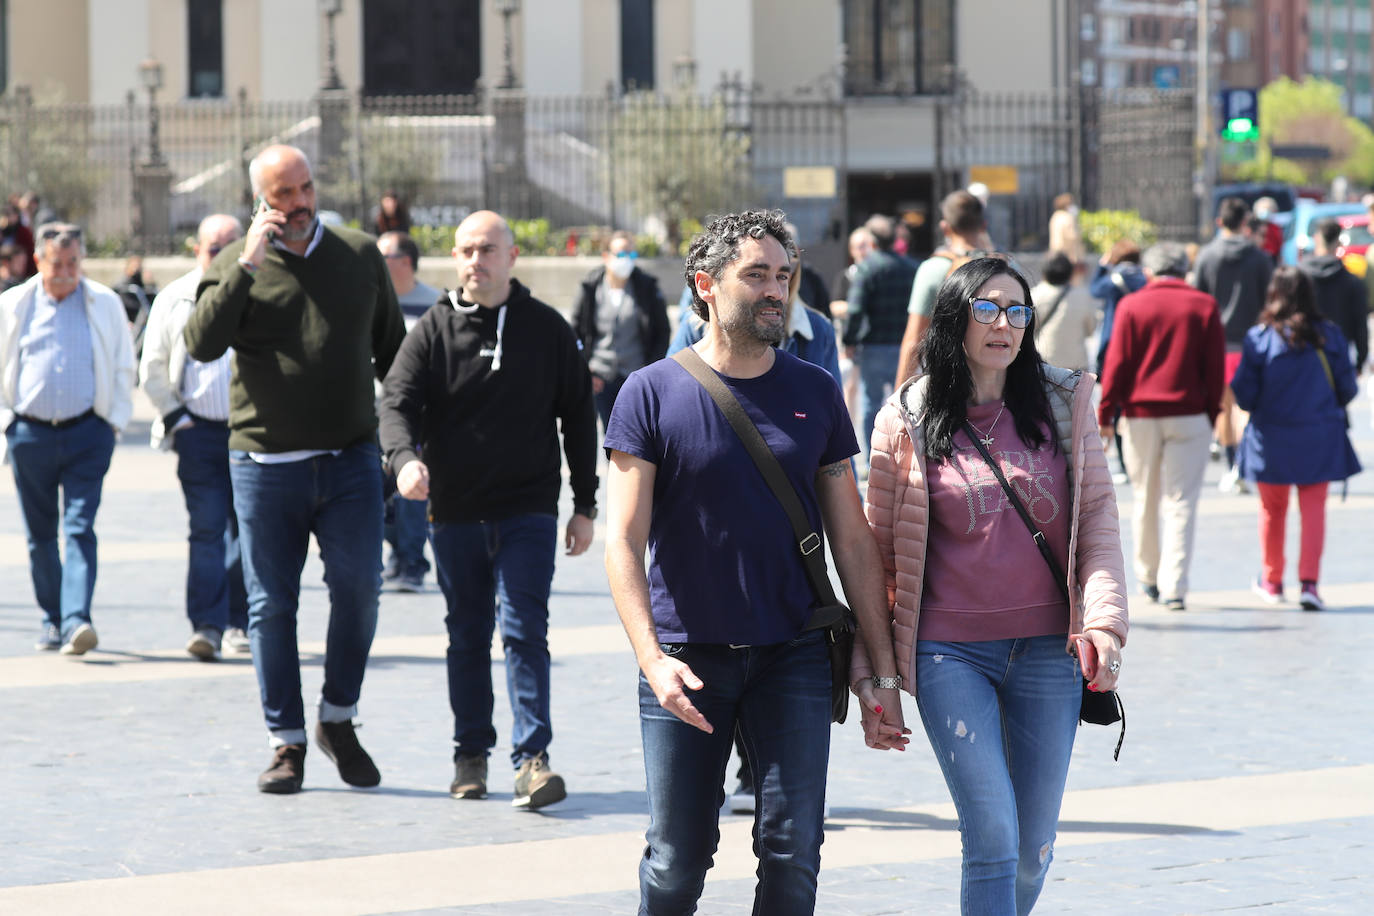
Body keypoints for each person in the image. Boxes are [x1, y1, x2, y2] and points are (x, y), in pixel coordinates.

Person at [603, 210, 905, 914]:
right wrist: (651, 658)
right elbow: (621, 537)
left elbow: (853, 539)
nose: (777, 291)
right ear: (706, 285)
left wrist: (882, 672)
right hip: (686, 655)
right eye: (757, 276)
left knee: (795, 850)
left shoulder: (814, 390)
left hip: (794, 652)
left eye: (784, 275)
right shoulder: (650, 392)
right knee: (678, 860)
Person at [853, 256, 1127, 915]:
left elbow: (1096, 523)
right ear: (955, 318)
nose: (1004, 324)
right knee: (994, 839)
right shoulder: (904, 421)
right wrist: (877, 678)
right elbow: (878, 560)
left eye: (1016, 311)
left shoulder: (1064, 404)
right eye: (986, 309)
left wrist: (1106, 626)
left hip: (1047, 654)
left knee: (1033, 851)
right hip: (950, 655)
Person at [185, 144, 406, 794]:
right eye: (285, 194)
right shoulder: (234, 264)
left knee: (361, 589)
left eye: (305, 187)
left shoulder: (360, 254)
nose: (301, 202)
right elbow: (200, 343)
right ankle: (286, 742)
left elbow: (394, 355)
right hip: (264, 465)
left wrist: (407, 444)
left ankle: (338, 717)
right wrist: (248, 263)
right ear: (261, 201)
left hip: (350, 461)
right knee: (269, 607)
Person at [379, 210, 598, 809]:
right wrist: (403, 461)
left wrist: (584, 504)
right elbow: (395, 404)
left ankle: (532, 760)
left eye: (488, 249)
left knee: (526, 631)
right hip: (454, 513)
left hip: (528, 510)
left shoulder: (547, 328)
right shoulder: (431, 329)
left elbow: (579, 416)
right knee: (468, 635)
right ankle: (469, 754)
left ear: (512, 255)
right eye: (466, 250)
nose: (477, 260)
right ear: (455, 258)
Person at [0, 222, 136, 655]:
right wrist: (8, 424)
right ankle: (52, 618)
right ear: (38, 260)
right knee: (40, 535)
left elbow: (122, 365)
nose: (64, 271)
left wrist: (111, 422)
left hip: (86, 433)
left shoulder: (104, 304)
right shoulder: (13, 305)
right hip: (30, 434)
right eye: (56, 263)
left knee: (80, 527)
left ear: (82, 261)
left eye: (72, 262)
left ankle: (78, 618)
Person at [138, 214, 250, 660]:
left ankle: (241, 620)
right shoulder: (175, 297)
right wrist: (178, 419)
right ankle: (207, 625)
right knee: (207, 529)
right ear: (196, 249)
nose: (220, 256)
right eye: (212, 248)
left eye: (230, 247)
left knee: (250, 531)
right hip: (198, 432)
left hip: (252, 434)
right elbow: (153, 368)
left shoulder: (259, 290)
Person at [1099, 243, 1225, 611]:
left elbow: (1116, 364)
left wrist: (1106, 413)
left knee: (1145, 496)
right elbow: (1214, 370)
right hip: (1190, 414)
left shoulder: (1132, 305)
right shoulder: (1203, 305)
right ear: (1185, 270)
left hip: (1140, 414)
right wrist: (1211, 414)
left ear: (1150, 272)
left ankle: (1148, 576)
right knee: (1181, 502)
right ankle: (1175, 586)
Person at [1232, 267, 1361, 610]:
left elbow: (1244, 393)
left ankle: (1272, 581)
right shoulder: (1329, 336)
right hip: (1318, 435)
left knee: (1272, 510)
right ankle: (1310, 583)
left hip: (1271, 437)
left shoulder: (1260, 338)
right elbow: (1347, 387)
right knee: (1314, 509)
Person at [376, 230, 442, 593]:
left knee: (412, 490)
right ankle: (397, 553)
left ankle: (411, 563)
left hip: (417, 415)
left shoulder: (436, 304)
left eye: (381, 256)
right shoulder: (371, 301)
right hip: (372, 413)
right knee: (372, 491)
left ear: (404, 262)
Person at [1193, 197, 1272, 494]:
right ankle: (1243, 463)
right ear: (1245, 224)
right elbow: (1270, 300)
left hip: (1217, 343)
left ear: (1219, 222)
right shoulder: (1260, 258)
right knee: (1247, 408)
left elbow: (1197, 301)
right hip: (1254, 341)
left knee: (1224, 408)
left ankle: (1231, 466)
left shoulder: (1207, 256)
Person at [572, 230, 670, 430]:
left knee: (636, 432)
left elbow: (662, 332)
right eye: (621, 255)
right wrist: (586, 369)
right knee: (608, 433)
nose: (627, 260)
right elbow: (575, 331)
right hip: (600, 377)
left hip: (635, 377)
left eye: (631, 255)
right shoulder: (590, 287)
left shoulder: (646, 287)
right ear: (606, 256)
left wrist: (650, 370)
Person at [843, 214, 918, 466]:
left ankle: (874, 461)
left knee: (871, 405)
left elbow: (854, 311)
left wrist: (849, 340)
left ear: (872, 242)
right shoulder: (911, 268)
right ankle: (907, 457)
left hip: (874, 345)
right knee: (909, 404)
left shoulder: (867, 268)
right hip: (906, 345)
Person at [898, 190, 991, 387]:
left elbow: (914, 339)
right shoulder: (1005, 268)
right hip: (997, 382)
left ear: (944, 227)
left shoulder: (932, 269)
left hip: (948, 383)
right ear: (983, 225)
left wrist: (899, 394)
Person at [1300, 219, 1369, 377]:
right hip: (1339, 353)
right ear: (1338, 242)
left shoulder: (1299, 276)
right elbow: (1360, 324)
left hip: (1306, 352)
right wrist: (1360, 360)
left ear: (1317, 238)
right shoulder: (1351, 281)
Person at [1029, 251, 1098, 371]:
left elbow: (1027, 329)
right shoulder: (1082, 295)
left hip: (1045, 363)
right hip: (1077, 366)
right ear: (1070, 272)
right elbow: (1091, 329)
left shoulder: (1035, 295)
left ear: (1044, 271)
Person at [1047, 192, 1084, 265]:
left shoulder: (1055, 216)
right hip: (1067, 253)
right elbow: (1072, 235)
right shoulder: (1068, 217)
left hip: (1055, 250)